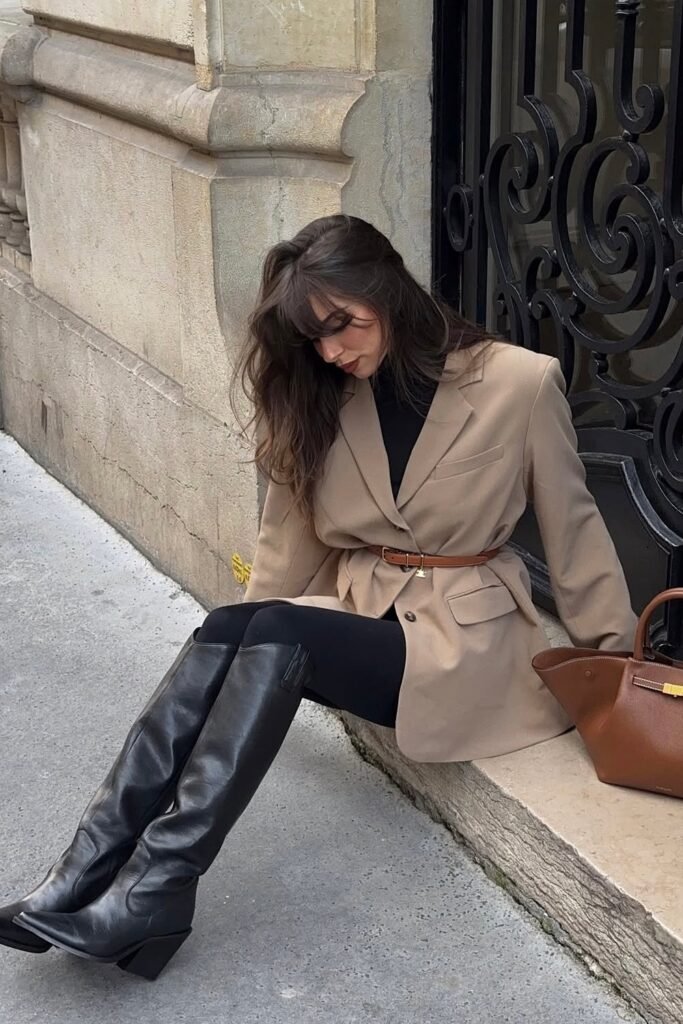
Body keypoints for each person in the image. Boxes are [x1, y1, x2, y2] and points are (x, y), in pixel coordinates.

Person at [0, 214, 638, 980]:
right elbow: (286, 545)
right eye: (315, 338)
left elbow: (573, 527)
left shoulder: (517, 382)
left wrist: (614, 669)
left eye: (342, 325)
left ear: (388, 290)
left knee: (279, 633)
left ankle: (151, 889)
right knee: (239, 622)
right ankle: (88, 871)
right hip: (370, 613)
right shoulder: (324, 394)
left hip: (469, 644)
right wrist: (237, 638)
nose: (332, 350)